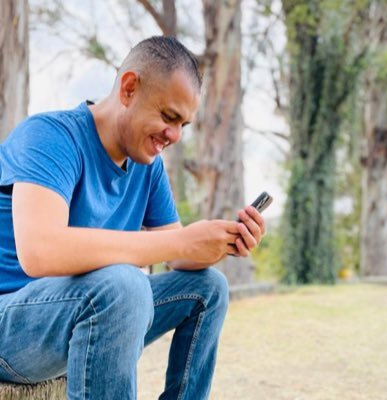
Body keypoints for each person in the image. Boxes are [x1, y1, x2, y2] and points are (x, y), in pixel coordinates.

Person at [0, 36, 265, 399]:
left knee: (208, 288)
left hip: (89, 309)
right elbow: (39, 251)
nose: (173, 136)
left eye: (183, 125)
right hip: (12, 323)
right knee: (125, 285)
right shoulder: (50, 136)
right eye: (169, 117)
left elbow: (175, 253)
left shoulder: (146, 166)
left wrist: (221, 241)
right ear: (128, 88)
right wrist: (178, 242)